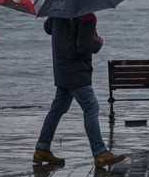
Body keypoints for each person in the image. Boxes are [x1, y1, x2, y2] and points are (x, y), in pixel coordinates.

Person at [33, 14, 125, 168]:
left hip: (61, 69)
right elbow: (83, 47)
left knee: (57, 109)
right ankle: (100, 152)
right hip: (77, 72)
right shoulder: (87, 17)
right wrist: (97, 43)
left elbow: (48, 28)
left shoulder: (59, 12)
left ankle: (42, 148)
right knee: (91, 107)